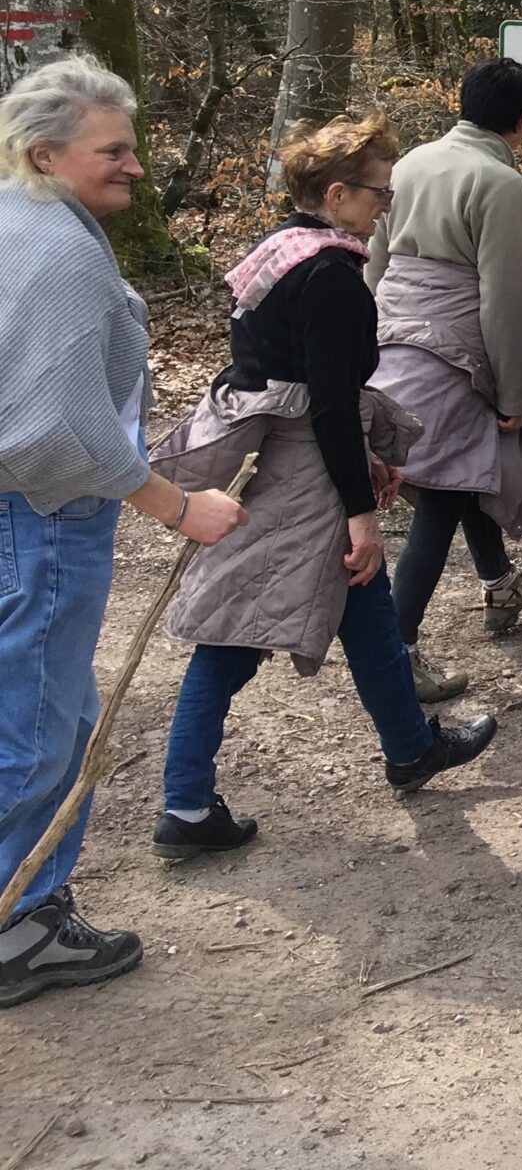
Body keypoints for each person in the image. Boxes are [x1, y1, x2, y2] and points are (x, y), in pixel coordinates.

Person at [150, 116, 499, 858]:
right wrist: (359, 510)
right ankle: (185, 807)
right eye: (380, 192)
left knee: (366, 606)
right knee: (234, 636)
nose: (387, 205)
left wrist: (361, 465)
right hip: (302, 480)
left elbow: (284, 378)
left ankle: (411, 748)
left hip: (283, 457)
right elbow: (331, 402)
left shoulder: (277, 252)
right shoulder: (333, 275)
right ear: (337, 194)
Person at [0, 58, 247, 1006]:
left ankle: (29, 908)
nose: (136, 166)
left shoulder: (22, 223)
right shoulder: (57, 253)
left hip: (25, 516)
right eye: (113, 150)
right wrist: (178, 506)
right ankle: (15, 928)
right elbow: (53, 431)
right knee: (36, 730)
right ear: (44, 153)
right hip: (43, 519)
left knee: (50, 717)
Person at [367, 57, 522, 701]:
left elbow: (375, 263)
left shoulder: (410, 164)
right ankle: (397, 652)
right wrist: (515, 394)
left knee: (464, 473)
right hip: (454, 353)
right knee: (443, 497)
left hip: (392, 338)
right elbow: (503, 298)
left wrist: (367, 344)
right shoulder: (500, 183)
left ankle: (500, 583)